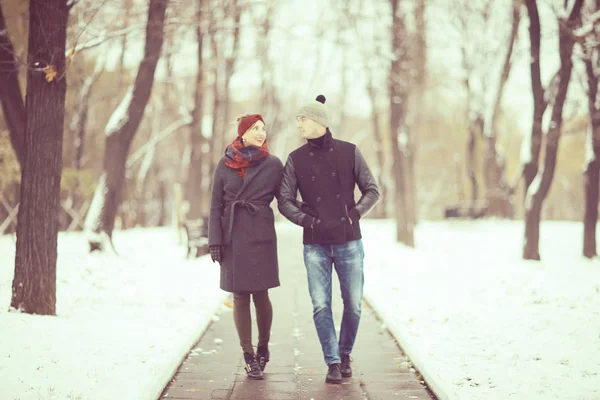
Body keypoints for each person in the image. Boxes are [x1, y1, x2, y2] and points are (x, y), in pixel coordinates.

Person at [278, 95, 380, 384]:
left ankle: (345, 353)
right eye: (297, 119)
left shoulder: (350, 152)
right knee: (321, 304)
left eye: (303, 119)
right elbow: (284, 200)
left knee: (354, 304)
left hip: (349, 240)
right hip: (315, 243)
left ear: (319, 121)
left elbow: (372, 190)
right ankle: (332, 361)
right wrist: (307, 221)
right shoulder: (295, 160)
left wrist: (354, 215)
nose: (298, 124)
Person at [208, 114, 283, 380]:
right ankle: (249, 355)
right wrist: (215, 240)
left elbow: (285, 199)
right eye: (255, 128)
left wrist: (308, 217)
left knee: (261, 295)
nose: (261, 133)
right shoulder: (225, 163)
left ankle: (263, 347)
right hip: (231, 235)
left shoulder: (273, 164)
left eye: (263, 128)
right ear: (242, 133)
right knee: (239, 295)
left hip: (260, 233)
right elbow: (216, 204)